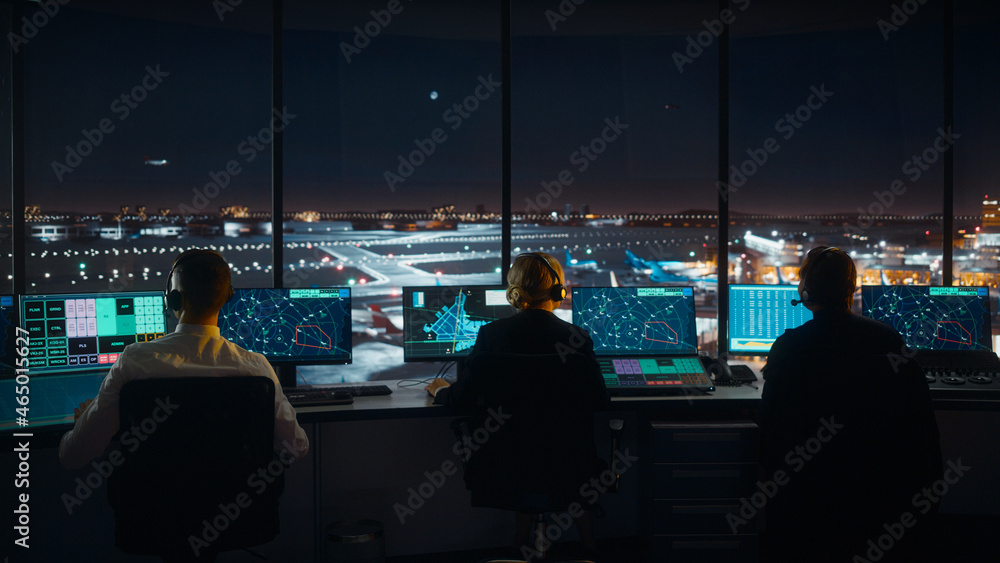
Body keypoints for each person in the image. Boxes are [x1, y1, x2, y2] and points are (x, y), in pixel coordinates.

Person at [760, 246, 942, 563]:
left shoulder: (789, 346)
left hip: (808, 499)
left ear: (805, 292)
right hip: (878, 495)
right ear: (851, 290)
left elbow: (770, 425)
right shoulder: (888, 341)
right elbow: (920, 428)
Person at [425, 252, 608, 557]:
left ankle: (518, 544)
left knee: (528, 464)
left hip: (505, 465)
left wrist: (439, 391)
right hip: (569, 465)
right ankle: (590, 549)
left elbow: (461, 399)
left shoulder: (491, 336)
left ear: (514, 292)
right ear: (558, 292)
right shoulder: (577, 338)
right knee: (568, 463)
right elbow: (600, 400)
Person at [59, 249, 309, 470]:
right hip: (244, 518)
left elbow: (73, 457)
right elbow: (297, 448)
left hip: (152, 516)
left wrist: (83, 424)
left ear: (173, 299)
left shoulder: (134, 362)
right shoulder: (257, 369)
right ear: (227, 297)